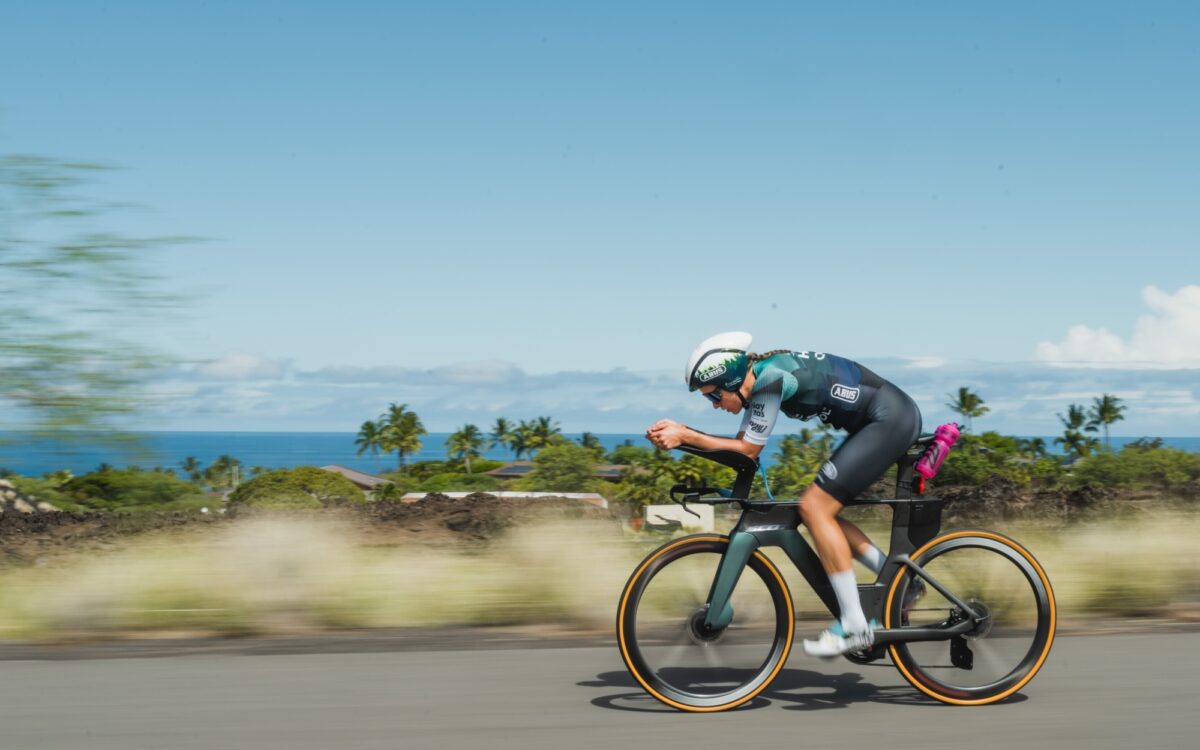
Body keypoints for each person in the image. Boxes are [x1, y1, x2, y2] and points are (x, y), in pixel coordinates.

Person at [645, 331, 922, 657]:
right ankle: (903, 583)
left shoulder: (770, 380)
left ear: (732, 380)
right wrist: (684, 439)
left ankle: (854, 623)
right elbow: (740, 451)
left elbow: (747, 449)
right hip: (883, 419)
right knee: (819, 514)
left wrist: (686, 435)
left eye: (714, 396)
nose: (715, 405)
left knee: (815, 509)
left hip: (890, 419)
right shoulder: (759, 383)